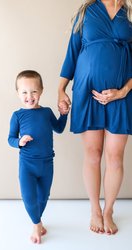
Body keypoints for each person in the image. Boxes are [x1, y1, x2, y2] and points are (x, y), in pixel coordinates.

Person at [58, 0, 132, 235]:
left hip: (120, 96)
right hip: (87, 92)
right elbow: (72, 51)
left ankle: (108, 210)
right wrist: (61, 89)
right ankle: (95, 210)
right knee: (93, 154)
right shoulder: (86, 12)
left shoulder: (128, 15)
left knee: (115, 157)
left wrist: (123, 91)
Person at [8, 70, 68, 244]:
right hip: (27, 164)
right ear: (18, 93)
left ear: (41, 91)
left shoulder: (46, 112)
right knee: (29, 197)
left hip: (47, 163)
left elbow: (59, 128)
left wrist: (64, 114)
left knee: (43, 196)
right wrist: (19, 141)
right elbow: (10, 139)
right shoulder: (17, 115)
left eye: (34, 91)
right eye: (24, 92)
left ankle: (37, 221)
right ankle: (36, 224)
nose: (29, 96)